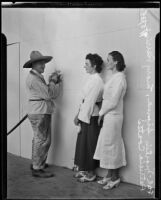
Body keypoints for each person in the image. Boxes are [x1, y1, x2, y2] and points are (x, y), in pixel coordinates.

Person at [23, 50, 62, 178]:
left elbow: (46, 93)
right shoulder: (34, 79)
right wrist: (53, 81)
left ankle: (36, 163)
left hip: (38, 111)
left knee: (38, 139)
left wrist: (52, 82)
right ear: (33, 65)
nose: (44, 65)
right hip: (40, 112)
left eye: (44, 63)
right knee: (44, 140)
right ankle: (37, 168)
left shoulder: (36, 76)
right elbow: (49, 94)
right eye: (40, 63)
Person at [93, 51, 127, 189]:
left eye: (109, 60)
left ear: (116, 62)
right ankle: (109, 175)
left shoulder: (120, 78)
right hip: (109, 116)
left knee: (112, 145)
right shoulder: (114, 77)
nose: (107, 62)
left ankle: (115, 177)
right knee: (107, 145)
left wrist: (100, 113)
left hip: (113, 116)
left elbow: (113, 101)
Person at [73, 53, 104, 182]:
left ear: (94, 66)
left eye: (87, 64)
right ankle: (85, 169)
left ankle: (91, 173)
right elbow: (85, 100)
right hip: (86, 114)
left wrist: (80, 117)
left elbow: (90, 101)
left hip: (91, 116)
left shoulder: (97, 80)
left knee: (91, 144)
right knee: (83, 144)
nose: (84, 66)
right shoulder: (92, 78)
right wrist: (78, 113)